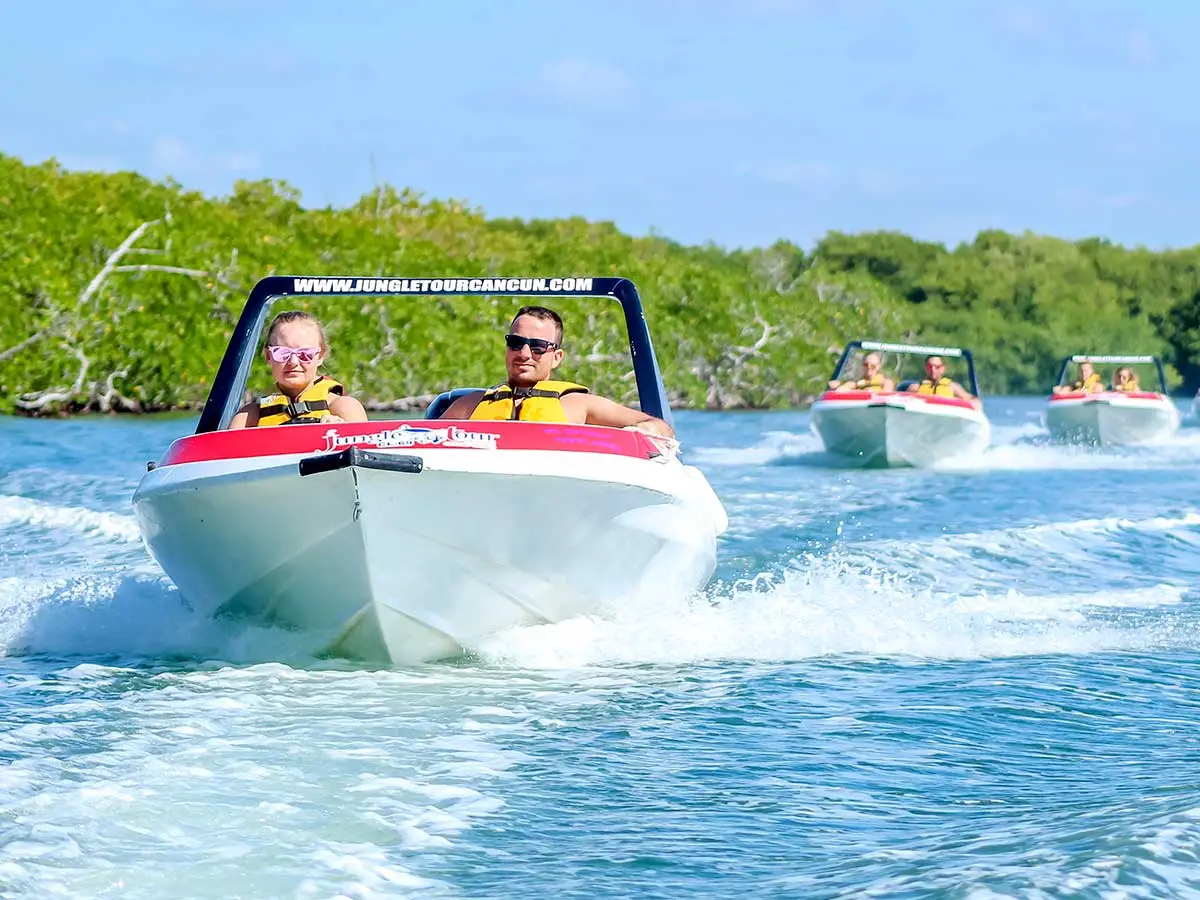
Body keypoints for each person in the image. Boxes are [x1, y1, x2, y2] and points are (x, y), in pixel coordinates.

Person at [437, 305, 675, 438]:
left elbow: (660, 427)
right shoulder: (469, 405)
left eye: (538, 346)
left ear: (557, 358)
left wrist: (647, 431)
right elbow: (421, 441)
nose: (525, 354)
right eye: (516, 343)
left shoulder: (579, 405)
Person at [227, 310, 368, 429]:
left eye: (305, 354)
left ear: (320, 356)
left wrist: (342, 433)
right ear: (268, 356)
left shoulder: (345, 408)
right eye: (282, 353)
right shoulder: (248, 418)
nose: (293, 362)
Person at [906, 355, 981, 409]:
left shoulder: (952, 387)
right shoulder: (915, 387)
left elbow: (970, 398)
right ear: (925, 368)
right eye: (930, 367)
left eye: (937, 367)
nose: (933, 370)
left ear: (943, 368)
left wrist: (975, 403)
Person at [829, 352, 895, 392]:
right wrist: (838, 386)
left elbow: (887, 395)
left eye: (873, 366)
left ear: (878, 367)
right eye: (866, 365)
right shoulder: (856, 383)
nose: (869, 368)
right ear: (862, 366)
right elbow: (843, 388)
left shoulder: (886, 382)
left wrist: (871, 392)